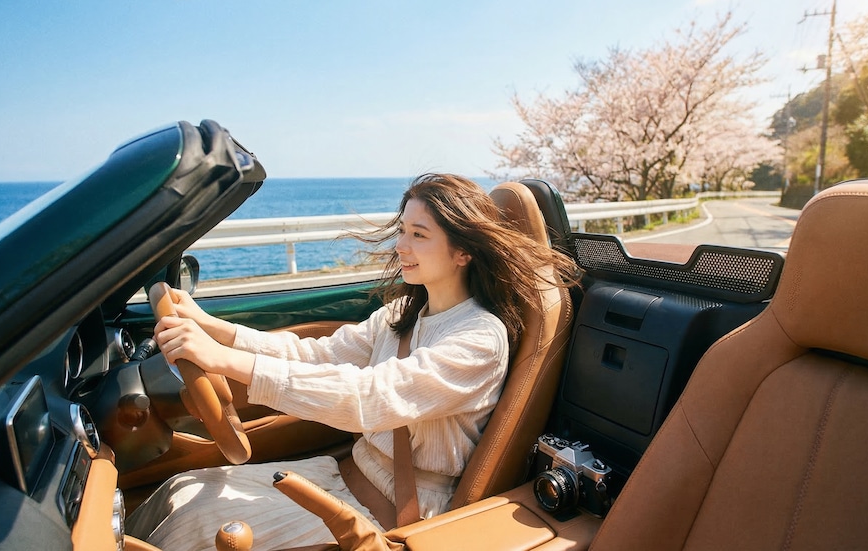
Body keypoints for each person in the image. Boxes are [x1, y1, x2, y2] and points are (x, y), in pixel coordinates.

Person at [126, 173, 578, 551]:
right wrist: (214, 328)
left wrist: (225, 360)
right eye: (402, 230)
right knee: (184, 490)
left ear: (463, 252)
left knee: (197, 526)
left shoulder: (479, 339)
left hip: (393, 509)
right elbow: (317, 353)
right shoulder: (405, 314)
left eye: (419, 235)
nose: (401, 245)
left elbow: (369, 396)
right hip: (342, 474)